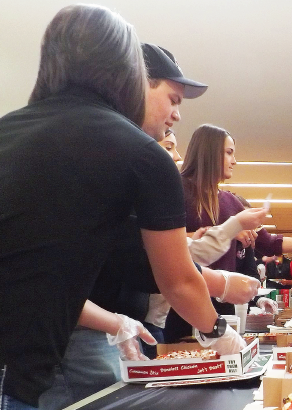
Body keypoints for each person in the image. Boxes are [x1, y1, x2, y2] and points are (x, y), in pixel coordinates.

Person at [0, 5, 222, 408]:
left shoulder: (8, 130)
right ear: (130, 72)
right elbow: (175, 280)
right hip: (33, 370)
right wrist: (221, 334)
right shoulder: (141, 154)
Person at [164, 124, 292, 341]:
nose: (235, 160)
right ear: (210, 152)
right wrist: (228, 230)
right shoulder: (176, 190)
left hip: (225, 311)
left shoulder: (230, 201)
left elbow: (269, 243)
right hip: (181, 309)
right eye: (229, 152)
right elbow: (164, 243)